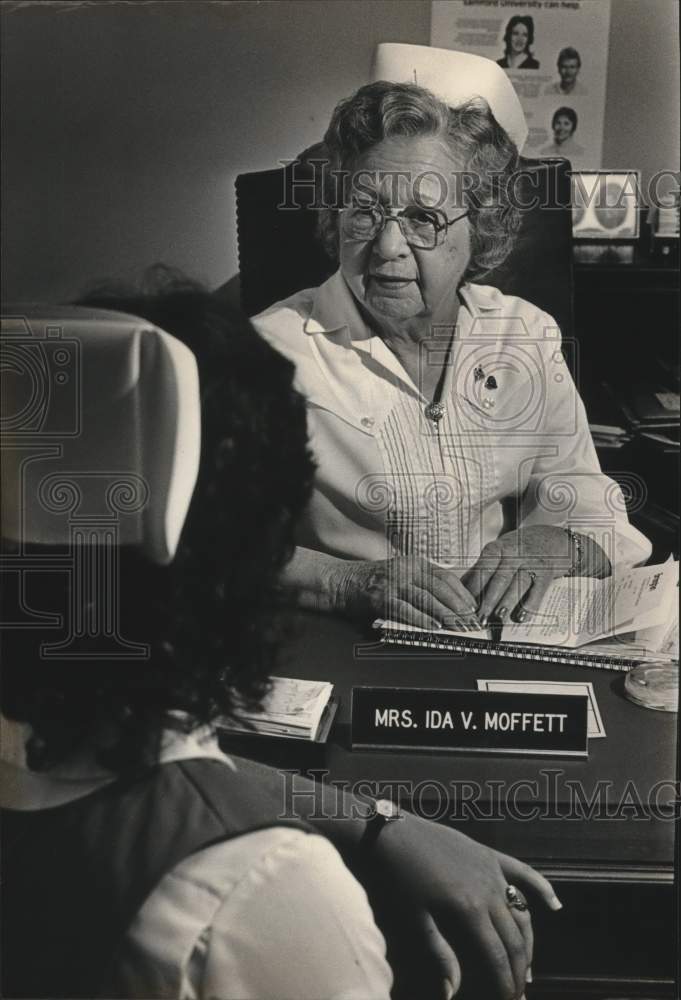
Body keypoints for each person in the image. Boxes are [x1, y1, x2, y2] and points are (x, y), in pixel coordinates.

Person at [0, 280, 561, 1000]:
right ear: (258, 539)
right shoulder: (258, 887)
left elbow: (132, 770)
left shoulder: (56, 732)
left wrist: (374, 824)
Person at [254, 77, 650, 630]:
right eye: (365, 211)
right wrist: (347, 582)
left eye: (423, 218)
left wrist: (553, 544)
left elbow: (593, 508)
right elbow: (211, 543)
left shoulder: (524, 336)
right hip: (345, 646)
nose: (388, 247)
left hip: (502, 636)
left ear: (480, 229)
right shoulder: (266, 353)